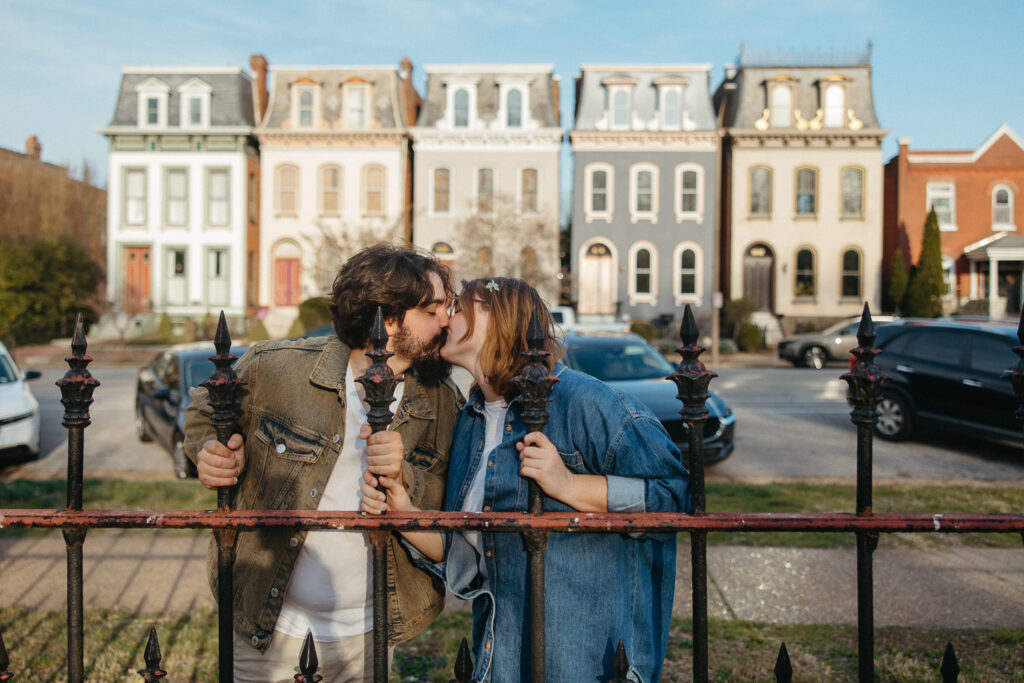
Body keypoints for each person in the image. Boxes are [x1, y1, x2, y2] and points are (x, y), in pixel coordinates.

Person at [362, 277, 690, 682]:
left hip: (590, 665)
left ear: (496, 317)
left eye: (459, 306)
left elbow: (675, 496)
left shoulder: (582, 401)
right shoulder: (470, 421)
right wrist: (404, 512)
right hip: (503, 662)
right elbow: (470, 552)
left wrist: (569, 486)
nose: (446, 318)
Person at [183, 244, 463, 683]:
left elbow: (448, 508)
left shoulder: (442, 402)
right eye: (432, 310)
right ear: (387, 319)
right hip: (269, 628)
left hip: (371, 633)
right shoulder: (276, 369)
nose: (446, 320)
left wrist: (403, 478)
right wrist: (208, 452)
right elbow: (205, 409)